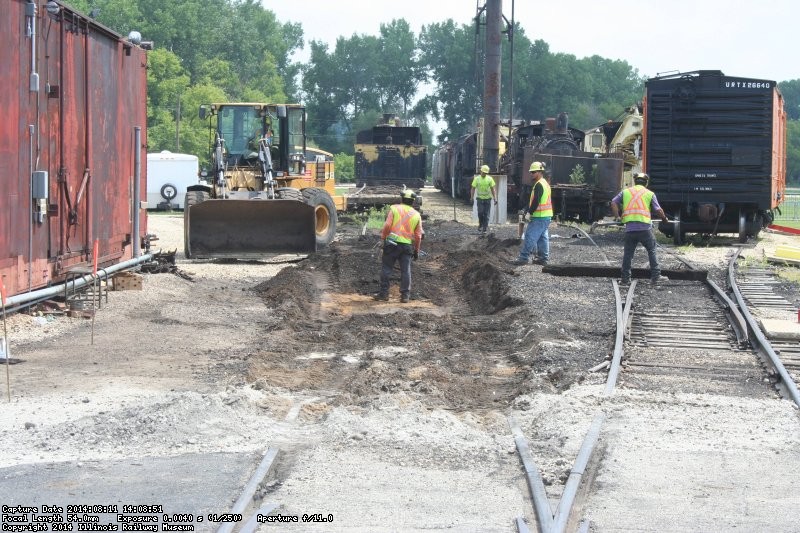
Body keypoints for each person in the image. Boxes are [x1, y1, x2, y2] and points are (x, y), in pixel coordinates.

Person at [610, 172, 669, 285]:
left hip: (630, 229)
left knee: (628, 254)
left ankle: (625, 279)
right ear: (646, 183)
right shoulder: (650, 193)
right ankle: (656, 276)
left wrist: (617, 217)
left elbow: (613, 202)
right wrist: (664, 219)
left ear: (635, 181)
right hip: (645, 229)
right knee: (651, 250)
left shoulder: (626, 192)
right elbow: (658, 210)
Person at [375, 189, 424, 303]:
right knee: (406, 271)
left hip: (391, 243)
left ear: (402, 199)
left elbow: (387, 225)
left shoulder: (394, 208)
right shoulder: (416, 215)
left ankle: (384, 294)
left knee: (386, 269)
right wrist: (416, 250)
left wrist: (383, 238)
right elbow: (418, 236)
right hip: (406, 246)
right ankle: (405, 296)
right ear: (413, 201)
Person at [513, 161, 552, 265]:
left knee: (530, 236)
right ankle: (543, 259)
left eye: (533, 172)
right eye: (531, 172)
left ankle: (523, 258)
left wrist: (529, 213)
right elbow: (536, 201)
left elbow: (536, 201)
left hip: (539, 217)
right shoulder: (545, 183)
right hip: (546, 216)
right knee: (543, 238)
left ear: (539, 172)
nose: (531, 174)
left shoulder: (539, 185)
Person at [470, 164, 498, 235]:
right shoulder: (477, 179)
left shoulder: (489, 179)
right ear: (481, 171)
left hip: (487, 199)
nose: (484, 173)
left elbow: (493, 189)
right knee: (480, 213)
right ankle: (481, 224)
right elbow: (473, 188)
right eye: (483, 172)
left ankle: (484, 228)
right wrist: (472, 197)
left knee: (486, 214)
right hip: (479, 199)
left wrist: (495, 198)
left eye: (485, 173)